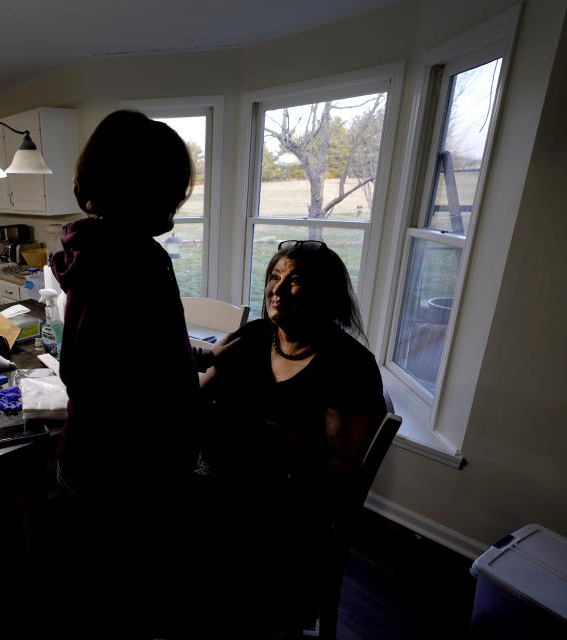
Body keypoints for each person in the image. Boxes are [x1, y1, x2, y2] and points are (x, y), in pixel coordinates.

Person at [43, 110, 201, 637]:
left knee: (100, 597)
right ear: (143, 189)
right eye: (173, 189)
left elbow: (123, 354)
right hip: (127, 476)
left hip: (86, 457)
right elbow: (147, 392)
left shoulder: (92, 250)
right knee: (127, 606)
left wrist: (200, 356)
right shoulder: (139, 261)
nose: (178, 204)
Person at [194, 239, 387, 635]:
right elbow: (198, 397)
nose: (277, 291)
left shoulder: (349, 365)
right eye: (275, 277)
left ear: (325, 293)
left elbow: (338, 468)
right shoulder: (254, 336)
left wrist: (267, 439)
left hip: (292, 507)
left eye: (295, 281)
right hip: (226, 482)